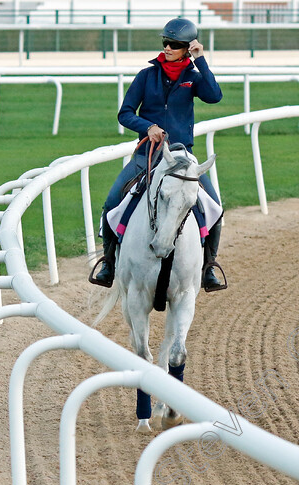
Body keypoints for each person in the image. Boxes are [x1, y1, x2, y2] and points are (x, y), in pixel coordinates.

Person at [91, 18, 225, 290]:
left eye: (175, 44)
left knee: (214, 207)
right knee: (111, 202)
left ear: (188, 48)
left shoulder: (194, 77)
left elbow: (214, 96)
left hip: (182, 157)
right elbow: (125, 113)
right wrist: (148, 126)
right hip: (147, 156)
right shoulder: (146, 76)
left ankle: (208, 267)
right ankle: (108, 263)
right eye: (165, 42)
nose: (167, 47)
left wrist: (201, 61)